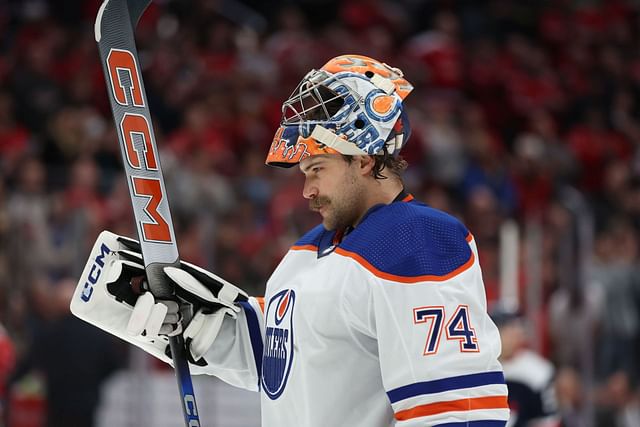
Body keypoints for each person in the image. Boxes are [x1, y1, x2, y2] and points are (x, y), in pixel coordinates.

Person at [71, 54, 509, 426]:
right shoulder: (306, 253)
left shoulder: (415, 240)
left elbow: (457, 412)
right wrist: (199, 324)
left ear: (363, 158)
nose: (307, 191)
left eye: (316, 168)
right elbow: (288, 366)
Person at [491, 308, 559, 427]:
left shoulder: (539, 371)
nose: (510, 333)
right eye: (503, 328)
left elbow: (548, 420)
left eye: (513, 327)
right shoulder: (483, 368)